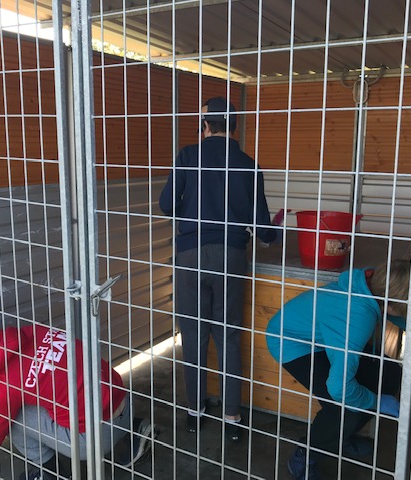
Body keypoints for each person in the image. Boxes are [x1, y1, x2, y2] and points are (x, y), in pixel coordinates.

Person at [159, 97, 276, 442]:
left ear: (206, 125)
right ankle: (232, 417)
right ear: (234, 127)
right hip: (231, 257)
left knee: (194, 335)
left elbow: (167, 205)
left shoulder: (188, 155)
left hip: (190, 256)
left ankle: (195, 412)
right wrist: (274, 233)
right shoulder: (249, 165)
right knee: (228, 336)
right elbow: (263, 227)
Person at [265, 260, 411, 480]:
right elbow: (338, 388)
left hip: (325, 335)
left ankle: (340, 436)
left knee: (389, 375)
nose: (406, 314)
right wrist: (376, 402)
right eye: (404, 310)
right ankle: (305, 455)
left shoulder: (377, 285)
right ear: (389, 305)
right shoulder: (357, 318)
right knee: (344, 408)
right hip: (292, 341)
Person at [0, 314, 154, 480]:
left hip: (96, 438)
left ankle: (51, 474)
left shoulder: (4, 385)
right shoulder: (34, 332)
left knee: (13, 418)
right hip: (125, 402)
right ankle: (135, 428)